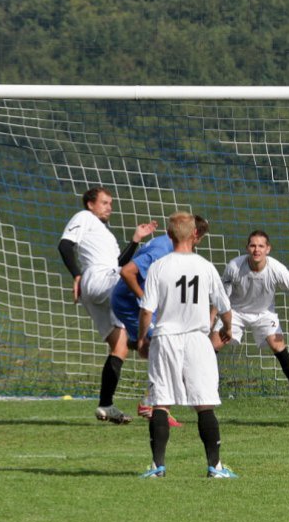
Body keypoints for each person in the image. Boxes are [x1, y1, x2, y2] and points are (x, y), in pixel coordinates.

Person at [137, 212, 236, 478]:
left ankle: (158, 466)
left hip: (165, 338)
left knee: (161, 401)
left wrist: (142, 338)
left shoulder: (159, 266)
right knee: (204, 403)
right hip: (197, 340)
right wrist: (227, 328)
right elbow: (224, 307)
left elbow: (146, 310)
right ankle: (215, 467)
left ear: (169, 234)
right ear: (195, 234)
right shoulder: (205, 266)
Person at [57, 186, 157, 424]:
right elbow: (64, 245)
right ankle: (151, 339)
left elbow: (118, 264)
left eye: (110, 203)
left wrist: (135, 240)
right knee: (145, 284)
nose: (109, 207)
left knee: (120, 347)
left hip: (102, 284)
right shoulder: (84, 217)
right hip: (98, 279)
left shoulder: (105, 234)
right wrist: (76, 275)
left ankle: (106, 405)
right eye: (104, 203)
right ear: (90, 204)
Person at [111, 215, 211, 426]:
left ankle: (153, 402)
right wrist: (144, 298)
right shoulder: (162, 250)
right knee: (165, 349)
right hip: (128, 303)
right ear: (194, 235)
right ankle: (151, 404)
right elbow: (126, 272)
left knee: (163, 349)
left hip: (141, 304)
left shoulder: (170, 247)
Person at [209, 230, 289, 404]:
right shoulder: (234, 266)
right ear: (247, 248)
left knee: (278, 346)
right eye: (253, 245)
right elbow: (221, 296)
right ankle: (201, 389)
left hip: (264, 313)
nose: (257, 250)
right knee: (212, 346)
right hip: (235, 311)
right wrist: (211, 318)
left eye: (261, 246)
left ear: (268, 249)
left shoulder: (277, 268)